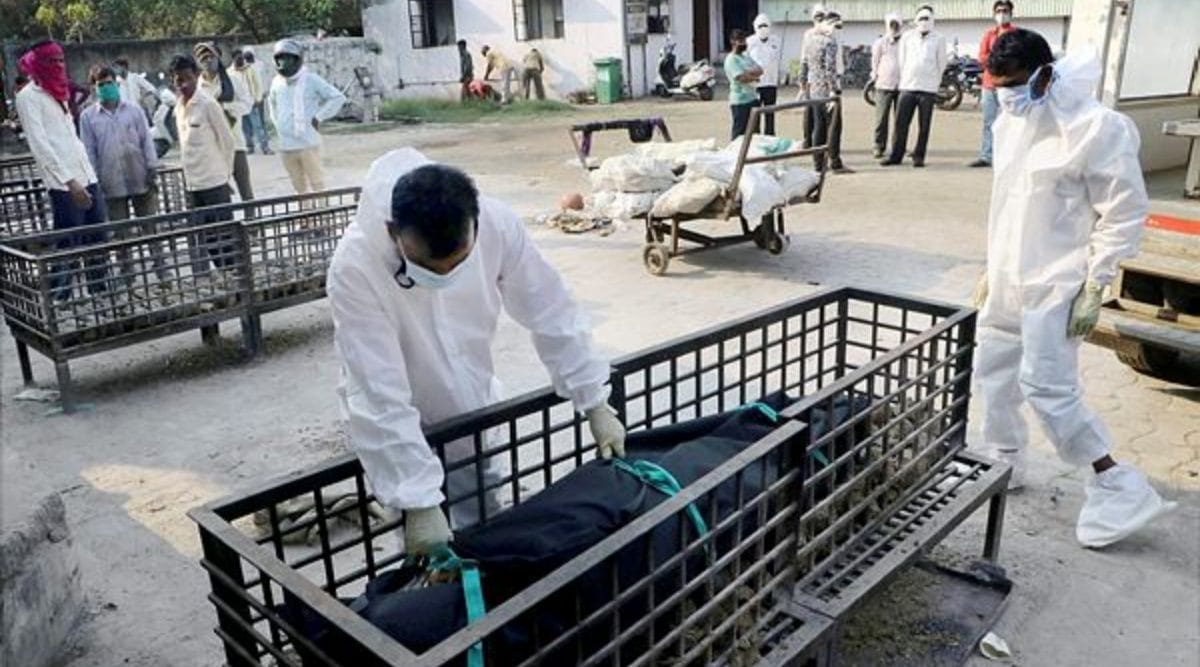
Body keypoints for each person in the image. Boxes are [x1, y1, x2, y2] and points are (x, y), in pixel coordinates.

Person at [328, 148, 627, 553]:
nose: (445, 276)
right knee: (423, 540)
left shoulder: (497, 224)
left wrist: (593, 399)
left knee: (484, 522)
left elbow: (551, 308)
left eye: (459, 263)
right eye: (429, 268)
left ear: (475, 221)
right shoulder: (355, 267)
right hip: (400, 420)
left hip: (473, 405)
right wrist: (417, 499)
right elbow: (378, 388)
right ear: (393, 232)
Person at [973, 29, 1175, 547]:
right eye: (999, 86)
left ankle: (1116, 484)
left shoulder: (1096, 128)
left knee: (1048, 388)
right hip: (1008, 275)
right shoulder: (1013, 122)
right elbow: (1008, 202)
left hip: (1057, 282)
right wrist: (991, 266)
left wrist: (1097, 282)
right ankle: (1005, 459)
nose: (1007, 95)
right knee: (992, 369)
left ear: (1045, 75)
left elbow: (1124, 212)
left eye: (1016, 85)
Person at [16, 40, 109, 298]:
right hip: (64, 183)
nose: (57, 66)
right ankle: (62, 302)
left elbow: (70, 137)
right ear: (38, 64)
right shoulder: (28, 98)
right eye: (51, 61)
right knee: (68, 244)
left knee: (98, 239)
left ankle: (100, 296)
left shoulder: (60, 92)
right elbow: (40, 145)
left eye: (61, 61)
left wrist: (88, 175)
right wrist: (70, 182)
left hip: (86, 174)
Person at [80, 64, 171, 288]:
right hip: (111, 181)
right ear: (93, 88)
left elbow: (146, 141)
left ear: (116, 83)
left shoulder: (133, 110)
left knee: (150, 226)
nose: (107, 87)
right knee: (121, 233)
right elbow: (89, 150)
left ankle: (162, 271)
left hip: (140, 174)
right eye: (101, 84)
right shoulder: (88, 117)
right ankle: (127, 274)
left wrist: (152, 168)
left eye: (109, 82)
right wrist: (94, 180)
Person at [171, 54, 237, 268]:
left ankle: (235, 279)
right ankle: (224, 280)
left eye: (187, 78)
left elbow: (228, 142)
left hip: (214, 183)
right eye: (178, 80)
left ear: (197, 76)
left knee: (225, 239)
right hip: (193, 185)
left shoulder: (208, 104)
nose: (183, 84)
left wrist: (225, 176)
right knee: (207, 239)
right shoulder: (179, 107)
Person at [267, 39, 346, 195]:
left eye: (288, 58)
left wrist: (319, 117)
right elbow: (272, 103)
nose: (284, 63)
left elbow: (337, 97)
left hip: (308, 144)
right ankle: (306, 218)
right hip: (286, 146)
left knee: (317, 184)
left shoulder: (311, 79)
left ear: (297, 60)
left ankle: (323, 216)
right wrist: (278, 125)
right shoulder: (276, 82)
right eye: (281, 59)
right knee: (299, 187)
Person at [881, 5, 947, 167]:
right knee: (900, 123)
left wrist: (934, 82)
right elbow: (902, 60)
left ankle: (919, 156)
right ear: (915, 20)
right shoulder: (907, 37)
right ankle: (896, 155)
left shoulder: (939, 38)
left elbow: (941, 63)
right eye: (921, 19)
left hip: (928, 89)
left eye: (927, 18)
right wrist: (907, 77)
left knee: (924, 126)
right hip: (908, 86)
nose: (924, 22)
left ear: (932, 20)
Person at [195, 42, 254, 201]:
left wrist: (225, 107)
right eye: (203, 57)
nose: (207, 60)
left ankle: (252, 222)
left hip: (235, 142)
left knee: (244, 187)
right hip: (212, 146)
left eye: (210, 56)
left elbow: (248, 103)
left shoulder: (232, 79)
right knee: (220, 190)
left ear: (218, 57)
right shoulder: (198, 85)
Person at [800, 11, 852, 173]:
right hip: (828, 92)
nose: (838, 29)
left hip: (814, 90)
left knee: (818, 127)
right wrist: (833, 90)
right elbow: (830, 69)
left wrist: (803, 85)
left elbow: (805, 63)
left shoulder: (810, 39)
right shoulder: (830, 42)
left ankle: (818, 164)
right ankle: (834, 161)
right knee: (834, 127)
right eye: (836, 26)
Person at [970, 1, 1017, 168]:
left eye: (1005, 10)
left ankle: (1008, 156)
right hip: (989, 85)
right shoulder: (989, 34)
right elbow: (982, 57)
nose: (1002, 13)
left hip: (1009, 85)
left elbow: (1017, 57)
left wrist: (1000, 61)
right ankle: (986, 156)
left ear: (1011, 13)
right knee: (989, 122)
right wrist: (997, 61)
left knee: (1010, 122)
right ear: (993, 14)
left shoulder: (1017, 35)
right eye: (998, 11)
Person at [870, 13, 903, 159]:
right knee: (881, 119)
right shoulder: (880, 42)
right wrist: (874, 77)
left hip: (902, 85)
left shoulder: (906, 42)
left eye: (896, 24)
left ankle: (897, 148)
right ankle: (878, 146)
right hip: (883, 84)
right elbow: (875, 62)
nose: (894, 27)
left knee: (900, 120)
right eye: (892, 24)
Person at [723, 29, 762, 141]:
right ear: (733, 42)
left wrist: (748, 73)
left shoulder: (745, 57)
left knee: (755, 132)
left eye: (744, 40)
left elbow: (760, 69)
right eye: (740, 41)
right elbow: (740, 78)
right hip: (740, 101)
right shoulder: (731, 60)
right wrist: (753, 76)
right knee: (740, 132)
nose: (743, 43)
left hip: (753, 99)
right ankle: (736, 155)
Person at [747, 13, 782, 135]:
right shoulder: (750, 42)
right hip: (756, 85)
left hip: (771, 83)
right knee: (755, 114)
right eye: (760, 26)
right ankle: (755, 137)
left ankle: (770, 136)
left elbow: (774, 59)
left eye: (765, 25)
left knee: (770, 113)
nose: (763, 28)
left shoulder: (776, 40)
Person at [798, 4, 826, 147]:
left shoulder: (829, 33)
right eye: (817, 16)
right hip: (811, 80)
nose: (819, 19)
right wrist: (802, 81)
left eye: (821, 16)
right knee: (809, 112)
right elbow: (804, 59)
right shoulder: (808, 34)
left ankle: (818, 143)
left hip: (823, 82)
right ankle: (807, 140)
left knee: (819, 115)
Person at [236, 48, 272, 155]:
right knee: (246, 126)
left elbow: (259, 83)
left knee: (259, 124)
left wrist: (259, 97)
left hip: (254, 100)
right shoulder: (234, 71)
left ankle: (265, 146)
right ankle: (249, 146)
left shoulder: (256, 67)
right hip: (241, 103)